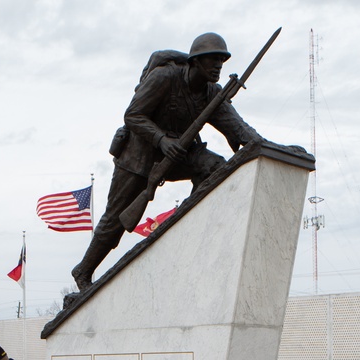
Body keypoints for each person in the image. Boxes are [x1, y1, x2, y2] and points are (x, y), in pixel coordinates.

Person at [72, 32, 264, 291]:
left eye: (222, 60)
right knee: (116, 220)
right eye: (212, 59)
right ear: (195, 61)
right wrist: (162, 140)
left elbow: (240, 129)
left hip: (178, 155)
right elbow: (133, 115)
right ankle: (83, 270)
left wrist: (268, 148)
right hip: (139, 155)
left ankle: (181, 223)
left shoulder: (212, 93)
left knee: (214, 166)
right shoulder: (165, 77)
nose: (218, 65)